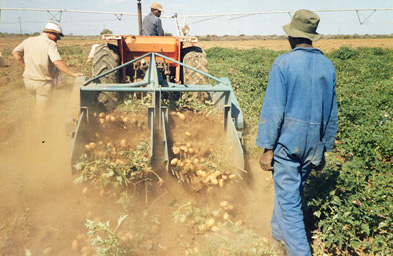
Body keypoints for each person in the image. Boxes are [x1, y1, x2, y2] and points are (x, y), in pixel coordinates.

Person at [256, 9, 338, 256]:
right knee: (290, 194)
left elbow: (274, 108)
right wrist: (325, 147)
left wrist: (267, 148)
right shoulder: (328, 65)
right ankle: (277, 235)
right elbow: (331, 112)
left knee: (290, 204)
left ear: (291, 36)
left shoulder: (283, 62)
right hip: (313, 146)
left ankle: (300, 252)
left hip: (288, 144)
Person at [12, 22, 83, 128]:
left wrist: (25, 68)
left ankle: (36, 124)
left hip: (28, 81)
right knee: (42, 112)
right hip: (42, 83)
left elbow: (15, 52)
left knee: (38, 104)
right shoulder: (50, 43)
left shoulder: (28, 40)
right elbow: (57, 62)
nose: (57, 39)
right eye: (58, 36)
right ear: (52, 33)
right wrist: (73, 74)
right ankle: (41, 134)